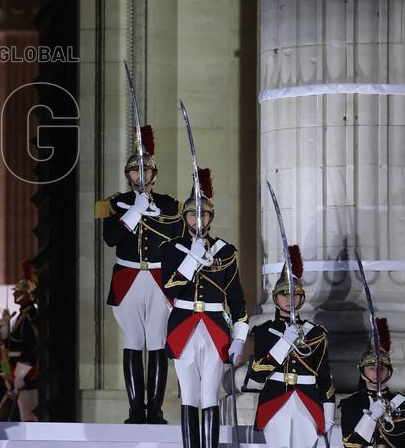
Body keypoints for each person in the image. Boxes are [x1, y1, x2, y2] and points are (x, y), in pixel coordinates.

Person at [96, 124, 182, 423]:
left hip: (159, 279)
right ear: (127, 174)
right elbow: (110, 239)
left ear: (154, 173)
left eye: (146, 170)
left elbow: (178, 244)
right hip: (128, 278)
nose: (141, 175)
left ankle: (155, 409)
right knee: (133, 340)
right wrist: (134, 212)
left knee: (157, 341)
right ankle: (135, 409)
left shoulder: (170, 205)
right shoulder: (115, 204)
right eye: (135, 170)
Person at [160, 168, 247, 448]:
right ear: (185, 217)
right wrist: (192, 258)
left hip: (214, 326)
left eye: (204, 215)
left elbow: (236, 297)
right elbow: (169, 288)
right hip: (183, 324)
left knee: (209, 395)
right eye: (193, 215)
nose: (198, 219)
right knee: (189, 395)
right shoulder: (172, 249)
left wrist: (240, 337)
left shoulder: (225, 252)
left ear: (211, 217)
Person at [244, 244, 334, 447]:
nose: (289, 300)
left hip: (308, 400)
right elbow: (258, 374)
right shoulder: (265, 330)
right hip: (276, 398)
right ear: (275, 298)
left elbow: (324, 375)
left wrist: (328, 414)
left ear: (301, 299)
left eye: (294, 295)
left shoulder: (316, 333)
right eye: (284, 295)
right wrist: (284, 342)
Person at [340, 319, 405, 447]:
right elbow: (351, 444)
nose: (377, 372)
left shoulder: (402, 401)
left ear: (389, 373)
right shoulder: (351, 404)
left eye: (382, 369)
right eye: (371, 368)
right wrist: (371, 418)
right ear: (362, 373)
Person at [0, 259, 39, 423]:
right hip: (15, 371)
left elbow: (30, 347)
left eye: (17, 292)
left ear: (27, 294)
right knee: (22, 417)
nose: (14, 294)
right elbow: (6, 344)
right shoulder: (20, 316)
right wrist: (5, 324)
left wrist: (20, 375)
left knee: (28, 418)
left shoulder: (29, 317)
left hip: (25, 373)